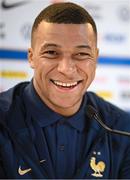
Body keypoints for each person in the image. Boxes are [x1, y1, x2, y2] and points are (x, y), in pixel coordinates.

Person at [0, 2, 130, 179]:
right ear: (31, 57)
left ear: (96, 58)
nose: (66, 69)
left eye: (81, 54)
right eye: (52, 52)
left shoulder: (122, 129)